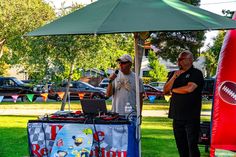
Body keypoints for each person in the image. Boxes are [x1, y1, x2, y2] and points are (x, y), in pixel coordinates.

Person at [163, 50, 204, 157]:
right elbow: (165, 91)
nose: (178, 61)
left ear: (190, 60)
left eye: (181, 58)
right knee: (181, 146)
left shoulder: (196, 73)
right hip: (177, 116)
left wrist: (174, 90)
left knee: (192, 146)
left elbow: (189, 88)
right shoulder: (174, 74)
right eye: (178, 59)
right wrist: (174, 77)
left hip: (191, 117)